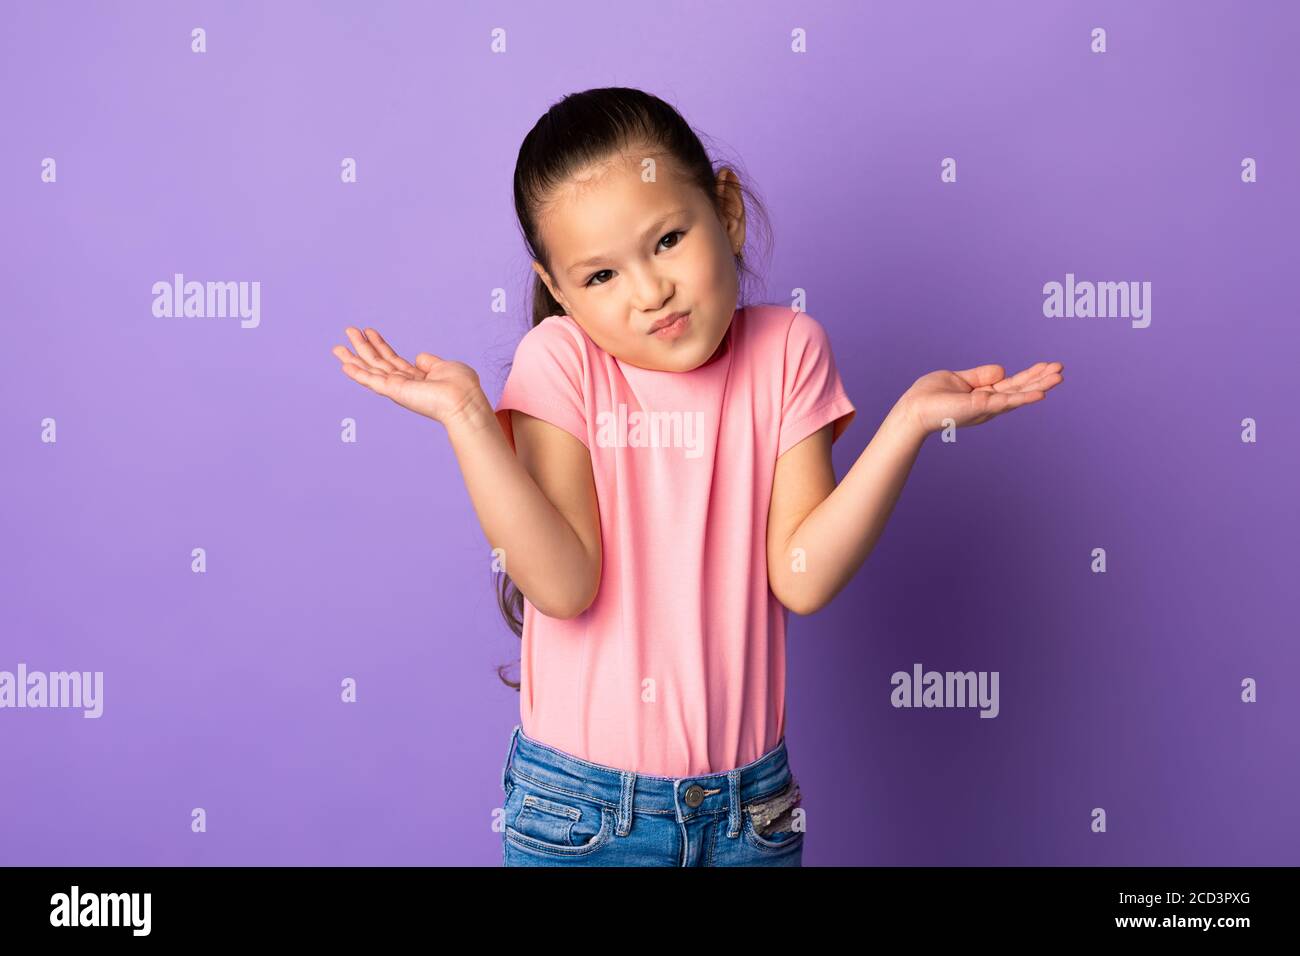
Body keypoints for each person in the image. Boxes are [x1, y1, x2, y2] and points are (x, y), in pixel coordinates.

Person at [331, 87, 1063, 866]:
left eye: (669, 238)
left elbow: (803, 577)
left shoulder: (789, 352)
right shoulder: (563, 363)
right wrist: (471, 421)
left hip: (752, 814)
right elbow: (563, 583)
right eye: (600, 277)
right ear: (559, 289)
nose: (650, 294)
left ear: (727, 211)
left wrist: (910, 423)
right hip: (584, 814)